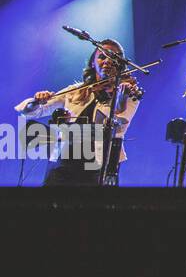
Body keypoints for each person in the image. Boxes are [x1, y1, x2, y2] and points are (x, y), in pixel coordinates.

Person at [16, 39, 140, 185]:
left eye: (113, 58)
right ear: (93, 63)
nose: (107, 61)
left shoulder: (129, 93)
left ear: (121, 64)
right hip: (64, 160)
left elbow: (117, 126)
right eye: (102, 57)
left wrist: (121, 98)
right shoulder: (76, 91)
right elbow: (32, 112)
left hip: (100, 162)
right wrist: (36, 101)